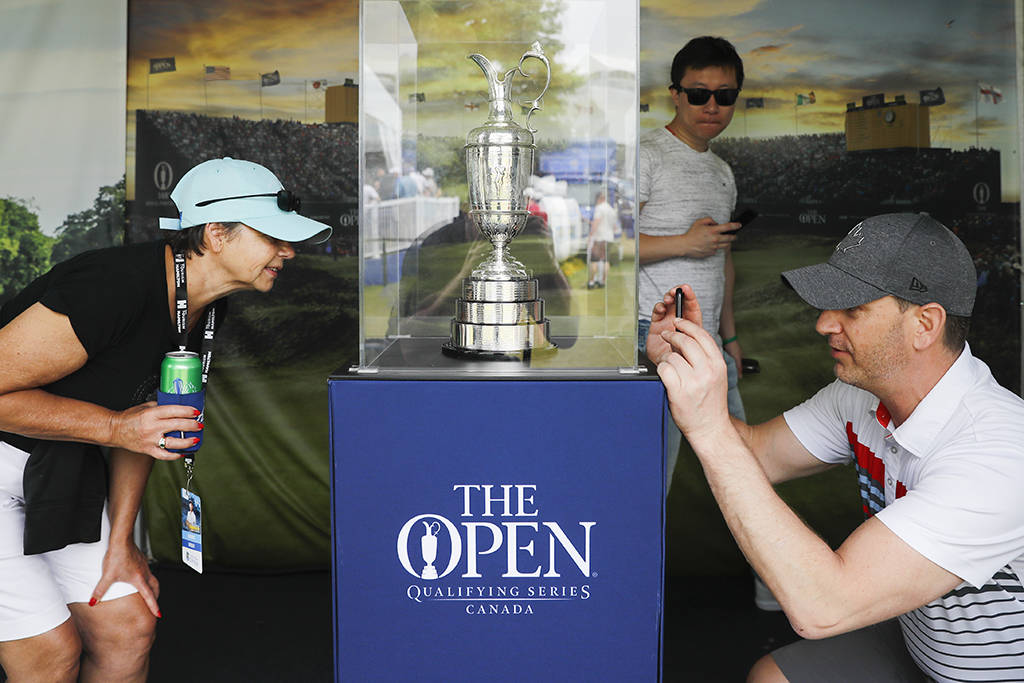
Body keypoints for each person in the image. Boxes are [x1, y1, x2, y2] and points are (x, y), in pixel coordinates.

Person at [647, 213, 1024, 682]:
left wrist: (709, 430)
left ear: (925, 324)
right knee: (773, 678)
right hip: (916, 648)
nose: (824, 323)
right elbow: (756, 456)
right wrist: (684, 366)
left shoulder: (997, 453)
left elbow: (822, 607)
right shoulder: (862, 394)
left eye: (853, 308)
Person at [0, 157, 330, 682]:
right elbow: (122, 426)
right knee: (49, 653)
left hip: (62, 470)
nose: (288, 251)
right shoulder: (111, 285)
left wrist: (121, 540)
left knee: (127, 628)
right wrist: (113, 428)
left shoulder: (204, 306)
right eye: (274, 236)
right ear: (217, 234)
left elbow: (148, 426)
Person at [637, 35, 747, 487]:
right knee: (651, 472)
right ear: (676, 95)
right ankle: (636, 558)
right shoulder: (645, 155)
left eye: (725, 96)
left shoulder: (723, 172)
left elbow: (722, 261)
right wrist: (684, 242)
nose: (712, 106)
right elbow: (604, 247)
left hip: (709, 341)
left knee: (742, 468)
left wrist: (731, 336)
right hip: (653, 332)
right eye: (699, 93)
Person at [587, 191, 617, 289]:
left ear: (599, 199)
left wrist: (590, 236)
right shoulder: (611, 209)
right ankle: (602, 281)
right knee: (605, 261)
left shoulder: (599, 208)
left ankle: (591, 282)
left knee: (594, 261)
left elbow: (596, 223)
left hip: (599, 238)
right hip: (609, 238)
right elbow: (615, 227)